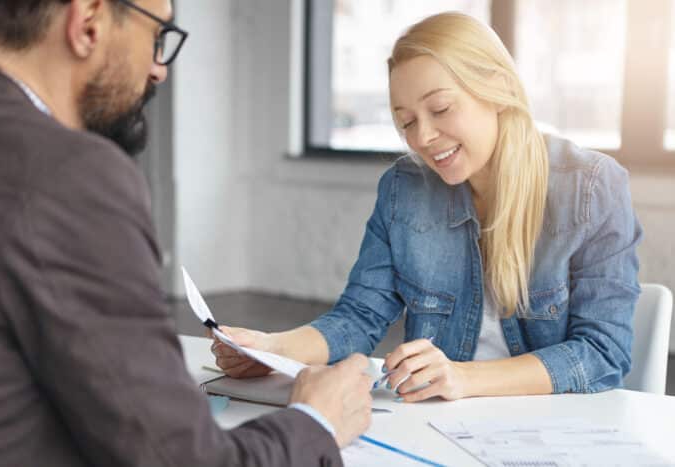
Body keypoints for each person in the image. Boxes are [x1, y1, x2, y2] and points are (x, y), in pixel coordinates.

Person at [0, 1, 373, 466]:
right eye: (156, 36)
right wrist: (316, 421)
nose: (159, 69)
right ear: (88, 22)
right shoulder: (67, 175)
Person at [212, 12, 642, 402]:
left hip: (551, 436)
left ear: (499, 89)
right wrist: (271, 349)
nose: (424, 137)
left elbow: (603, 354)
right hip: (437, 429)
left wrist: (464, 378)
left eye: (440, 108)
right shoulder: (404, 188)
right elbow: (360, 316)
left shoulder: (590, 188)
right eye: (407, 122)